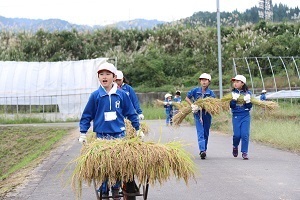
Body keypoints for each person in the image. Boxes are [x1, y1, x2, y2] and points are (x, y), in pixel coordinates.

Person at [78, 62, 142, 199]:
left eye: (107, 74)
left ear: (114, 77)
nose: (104, 77)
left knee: (119, 165)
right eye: (101, 74)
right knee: (103, 165)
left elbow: (131, 112)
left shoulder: (122, 95)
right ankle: (104, 188)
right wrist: (83, 132)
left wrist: (138, 129)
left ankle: (116, 188)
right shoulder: (95, 96)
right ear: (98, 77)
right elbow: (87, 115)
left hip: (119, 134)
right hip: (102, 135)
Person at [185, 73, 215, 159]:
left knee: (206, 132)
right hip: (197, 114)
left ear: (209, 82)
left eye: (205, 80)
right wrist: (192, 105)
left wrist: (203, 106)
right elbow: (187, 98)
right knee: (200, 131)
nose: (203, 82)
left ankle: (204, 149)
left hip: (207, 114)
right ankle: (202, 150)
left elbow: (213, 104)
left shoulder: (211, 93)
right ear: (200, 81)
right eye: (202, 80)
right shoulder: (195, 90)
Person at [230, 75, 252, 160]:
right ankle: (235, 146)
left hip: (245, 115)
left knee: (245, 134)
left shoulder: (248, 93)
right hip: (236, 115)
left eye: (237, 82)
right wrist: (234, 99)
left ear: (242, 83)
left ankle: (244, 152)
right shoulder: (232, 93)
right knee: (237, 135)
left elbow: (249, 107)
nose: (235, 83)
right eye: (234, 82)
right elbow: (231, 106)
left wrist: (248, 101)